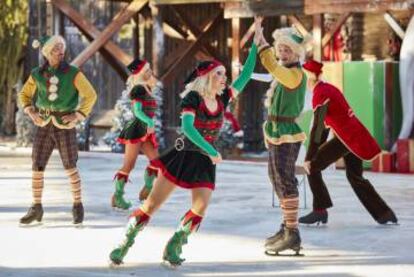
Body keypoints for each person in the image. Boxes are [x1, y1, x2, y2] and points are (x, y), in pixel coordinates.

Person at [108, 39, 258, 267]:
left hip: (205, 162)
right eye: (219, 73)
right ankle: (124, 243)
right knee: (151, 205)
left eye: (225, 74)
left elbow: (246, 74)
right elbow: (188, 129)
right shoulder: (193, 98)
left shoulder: (223, 97)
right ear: (207, 76)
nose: (224, 78)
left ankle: (174, 245)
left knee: (200, 208)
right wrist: (210, 149)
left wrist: (256, 42)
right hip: (183, 155)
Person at [299, 59, 398, 225]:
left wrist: (309, 157)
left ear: (308, 78)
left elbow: (318, 129)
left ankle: (320, 211)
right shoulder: (328, 88)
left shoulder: (320, 94)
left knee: (313, 167)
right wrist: (314, 151)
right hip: (354, 136)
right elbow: (324, 128)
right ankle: (384, 213)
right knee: (355, 176)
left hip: (347, 139)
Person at [18, 35, 97, 225]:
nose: (60, 51)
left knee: (70, 165)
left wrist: (78, 115)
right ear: (47, 52)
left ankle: (77, 206)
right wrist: (31, 111)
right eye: (55, 48)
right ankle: (36, 208)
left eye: (62, 47)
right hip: (44, 124)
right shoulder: (37, 74)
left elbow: (91, 95)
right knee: (37, 165)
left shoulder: (73, 73)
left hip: (64, 125)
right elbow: (25, 94)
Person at [255, 17, 308, 255]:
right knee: (275, 177)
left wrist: (265, 48)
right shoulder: (285, 71)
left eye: (287, 50)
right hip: (277, 131)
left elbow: (270, 64)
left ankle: (293, 233)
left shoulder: (294, 74)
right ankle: (287, 227)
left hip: (287, 133)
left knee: (285, 179)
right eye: (281, 49)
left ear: (296, 52)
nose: (283, 54)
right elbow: (270, 61)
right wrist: (258, 31)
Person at [111, 58, 160, 210]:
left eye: (150, 68)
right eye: (147, 69)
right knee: (129, 164)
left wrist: (149, 124)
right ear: (139, 73)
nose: (150, 71)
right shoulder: (138, 89)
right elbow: (137, 111)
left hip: (145, 131)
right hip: (136, 130)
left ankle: (147, 191)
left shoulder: (147, 88)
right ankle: (117, 196)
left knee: (157, 161)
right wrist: (150, 122)